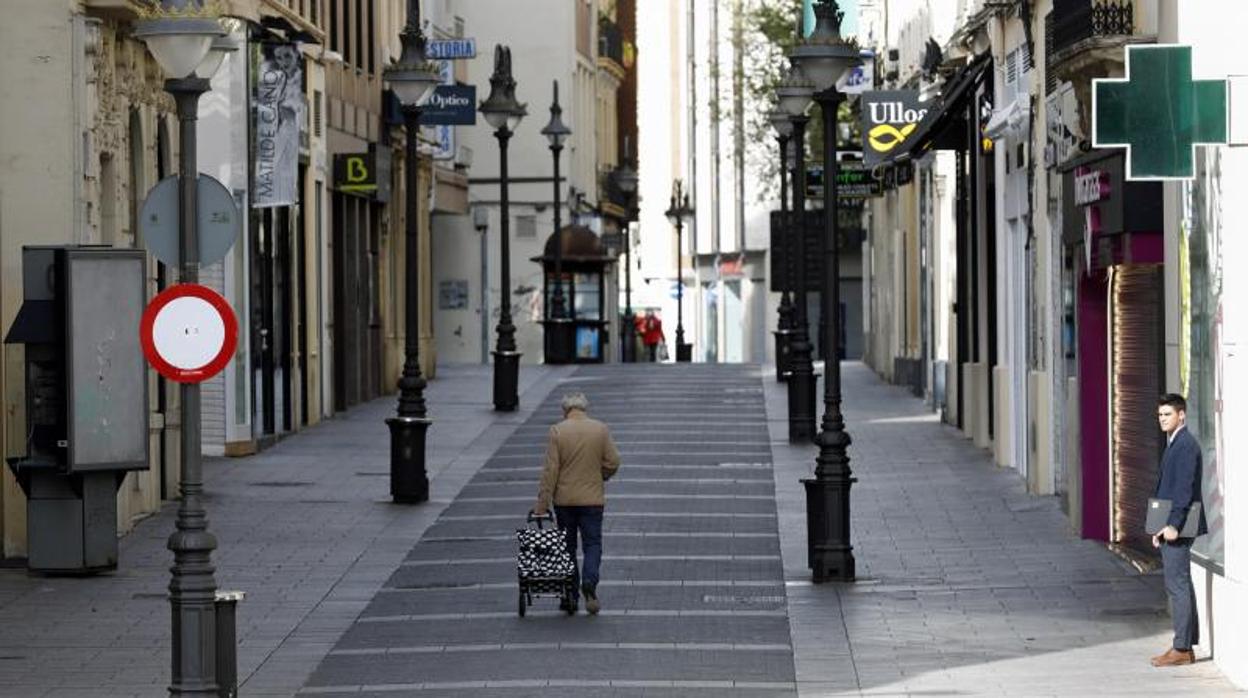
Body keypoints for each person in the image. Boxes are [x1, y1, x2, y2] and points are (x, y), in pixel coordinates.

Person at [533, 392, 621, 614]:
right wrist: (602, 474)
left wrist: (542, 503)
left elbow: (550, 471)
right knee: (592, 544)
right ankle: (589, 581)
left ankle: (571, 595)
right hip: (592, 500)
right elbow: (613, 461)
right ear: (585, 408)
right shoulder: (600, 429)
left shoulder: (558, 431)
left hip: (564, 501)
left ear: (565, 410)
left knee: (567, 547)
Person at [1150, 393, 1208, 667]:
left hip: (1179, 524)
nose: (1162, 419)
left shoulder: (1185, 445)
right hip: (1170, 522)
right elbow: (1167, 488)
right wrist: (1157, 525)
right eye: (1160, 415)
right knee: (1180, 584)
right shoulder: (1175, 442)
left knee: (1177, 585)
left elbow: (1183, 489)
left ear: (1181, 415)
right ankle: (1185, 645)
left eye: (1167, 414)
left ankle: (1182, 648)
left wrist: (1173, 524)